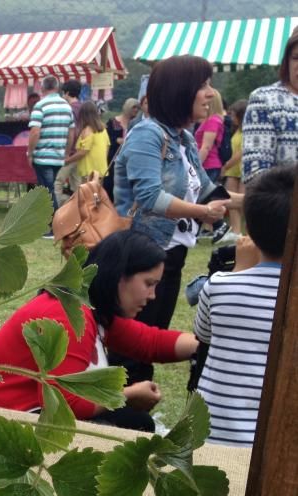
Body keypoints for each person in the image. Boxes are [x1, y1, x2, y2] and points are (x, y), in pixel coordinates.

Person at [0, 230, 198, 432]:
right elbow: (64, 405)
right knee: (136, 423)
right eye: (148, 284)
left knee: (135, 422)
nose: (153, 296)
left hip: (15, 413)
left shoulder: (86, 305)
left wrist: (206, 344)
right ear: (119, 276)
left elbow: (149, 342)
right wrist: (127, 395)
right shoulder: (69, 314)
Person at [112, 55, 242, 384]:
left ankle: (134, 418)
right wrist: (203, 213)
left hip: (168, 257)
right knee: (133, 348)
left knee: (149, 341)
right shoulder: (147, 135)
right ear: (179, 90)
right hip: (141, 254)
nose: (211, 94)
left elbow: (209, 191)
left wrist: (263, 201)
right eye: (203, 86)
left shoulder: (181, 137)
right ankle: (123, 421)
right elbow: (150, 198)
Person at [194, 166, 292, 447]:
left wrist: (237, 270)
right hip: (272, 446)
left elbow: (204, 336)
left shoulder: (221, 284)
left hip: (212, 437)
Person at [242, 27, 298, 183]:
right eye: (296, 58)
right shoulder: (265, 99)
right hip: (284, 205)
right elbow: (255, 174)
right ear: (287, 61)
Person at [27, 75, 74, 214]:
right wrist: (66, 152)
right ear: (57, 87)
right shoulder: (67, 106)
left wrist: (30, 153)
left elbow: (35, 132)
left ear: (42, 88)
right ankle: (52, 221)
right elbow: (71, 132)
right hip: (58, 156)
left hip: (43, 155)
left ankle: (53, 223)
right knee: (50, 188)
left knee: (47, 190)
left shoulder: (40, 105)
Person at [53, 79, 83, 204]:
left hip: (70, 152)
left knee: (58, 181)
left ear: (66, 93)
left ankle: (55, 211)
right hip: (81, 152)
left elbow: (70, 132)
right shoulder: (84, 107)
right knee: (77, 184)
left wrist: (66, 152)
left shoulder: (68, 109)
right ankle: (77, 212)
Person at [102, 98, 139, 200]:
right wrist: (117, 140)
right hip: (113, 158)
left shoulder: (137, 124)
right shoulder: (112, 122)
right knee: (110, 184)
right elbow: (107, 138)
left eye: (137, 108)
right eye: (133, 107)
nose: (136, 110)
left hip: (130, 159)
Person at [220, 99, 247, 234]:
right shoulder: (235, 131)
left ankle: (249, 229)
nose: (231, 117)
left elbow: (241, 152)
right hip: (232, 171)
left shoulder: (246, 132)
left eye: (233, 115)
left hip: (241, 169)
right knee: (231, 202)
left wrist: (226, 165)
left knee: (244, 202)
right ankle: (236, 232)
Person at [64, 100, 109, 182]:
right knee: (96, 194)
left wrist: (67, 160)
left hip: (89, 170)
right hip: (100, 169)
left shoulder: (88, 130)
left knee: (87, 194)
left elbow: (83, 152)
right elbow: (107, 147)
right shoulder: (103, 129)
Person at [195, 89, 225, 182]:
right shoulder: (214, 120)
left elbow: (206, 147)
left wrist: (195, 166)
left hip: (208, 164)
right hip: (209, 164)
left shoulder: (212, 121)